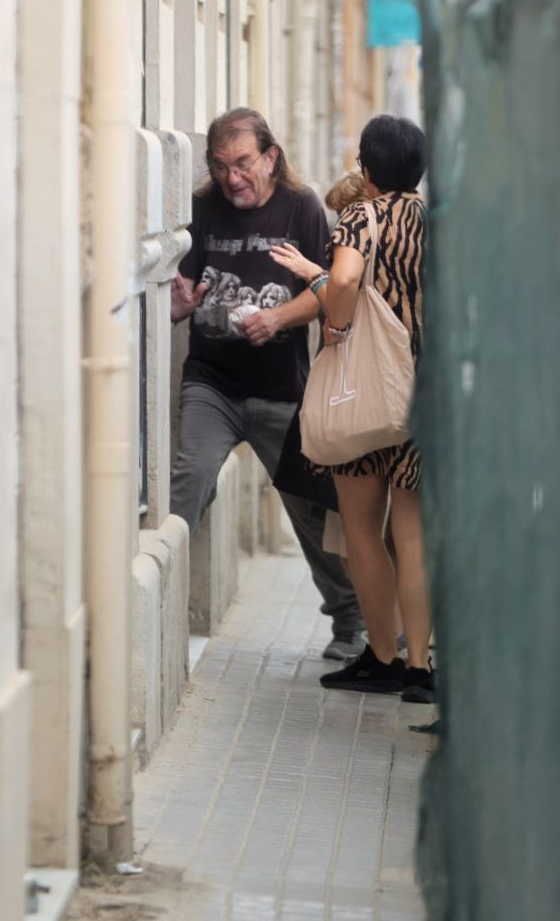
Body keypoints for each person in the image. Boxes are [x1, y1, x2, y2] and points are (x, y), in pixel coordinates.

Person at [170, 107, 365, 660]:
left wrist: (278, 319)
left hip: (282, 388)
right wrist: (178, 305)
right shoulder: (203, 206)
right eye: (222, 165)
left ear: (270, 156)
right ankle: (159, 612)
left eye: (244, 163)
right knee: (189, 478)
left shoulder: (301, 206)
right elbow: (182, 286)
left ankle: (349, 621)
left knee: (311, 507)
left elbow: (328, 289)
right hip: (213, 381)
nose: (233, 177)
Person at [269, 114, 434, 703]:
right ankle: (420, 667)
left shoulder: (362, 216)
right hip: (423, 395)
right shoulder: (434, 221)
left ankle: (383, 655)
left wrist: (336, 323)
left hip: (366, 392)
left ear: (366, 168)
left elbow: (344, 277)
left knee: (363, 530)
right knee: (412, 534)